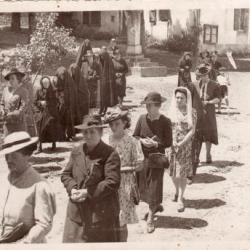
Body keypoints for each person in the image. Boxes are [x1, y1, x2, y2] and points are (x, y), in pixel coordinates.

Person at [61, 115, 121, 243]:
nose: (88, 135)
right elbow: (66, 174)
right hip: (77, 213)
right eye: (85, 132)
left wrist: (88, 192)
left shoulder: (110, 153)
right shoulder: (77, 151)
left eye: (92, 132)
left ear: (100, 132)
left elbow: (112, 182)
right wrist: (72, 189)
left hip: (100, 215)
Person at [0, 131, 56, 243]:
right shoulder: (4, 179)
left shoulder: (40, 185)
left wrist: (24, 243)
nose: (9, 160)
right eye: (7, 155)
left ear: (27, 155)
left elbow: (44, 225)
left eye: (14, 156)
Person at [133, 92, 172, 234]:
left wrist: (155, 144)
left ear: (158, 106)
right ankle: (154, 206)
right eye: (147, 105)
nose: (148, 108)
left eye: (151, 106)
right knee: (144, 185)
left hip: (156, 158)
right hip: (143, 158)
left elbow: (168, 142)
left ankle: (150, 217)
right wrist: (142, 141)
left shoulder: (165, 121)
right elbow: (135, 136)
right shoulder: (142, 119)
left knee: (154, 186)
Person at [104, 109, 143, 242]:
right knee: (109, 219)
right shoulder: (107, 140)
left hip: (125, 185)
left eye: (117, 124)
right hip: (109, 184)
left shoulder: (132, 141)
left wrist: (121, 169)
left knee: (122, 221)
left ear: (125, 122)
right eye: (111, 125)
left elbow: (140, 165)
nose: (114, 127)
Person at [168, 87, 197, 212]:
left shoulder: (193, 112)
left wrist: (182, 143)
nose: (179, 100)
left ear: (187, 99)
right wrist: (173, 141)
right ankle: (176, 190)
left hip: (185, 146)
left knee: (183, 173)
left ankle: (181, 197)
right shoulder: (172, 111)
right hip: (172, 145)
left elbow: (192, 130)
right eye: (177, 97)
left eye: (181, 98)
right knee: (173, 172)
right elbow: (169, 128)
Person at [178, 69, 204, 183]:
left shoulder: (192, 88)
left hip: (194, 126)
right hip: (182, 128)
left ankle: (190, 173)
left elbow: (197, 109)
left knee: (193, 150)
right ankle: (183, 172)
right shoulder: (181, 89)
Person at [196, 64, 220, 163]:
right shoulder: (197, 84)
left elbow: (218, 99)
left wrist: (209, 102)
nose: (202, 78)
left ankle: (208, 153)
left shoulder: (215, 85)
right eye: (201, 76)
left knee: (208, 133)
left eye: (204, 76)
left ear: (208, 75)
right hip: (198, 113)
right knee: (197, 134)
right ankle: (196, 156)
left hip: (209, 112)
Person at [34, 76, 63, 153]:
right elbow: (35, 102)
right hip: (41, 112)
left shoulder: (53, 91)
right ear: (41, 83)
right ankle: (39, 147)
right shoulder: (38, 91)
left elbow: (57, 102)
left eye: (47, 83)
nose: (46, 84)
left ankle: (54, 145)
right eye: (44, 83)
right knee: (39, 128)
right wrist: (40, 103)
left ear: (50, 83)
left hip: (51, 112)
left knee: (52, 127)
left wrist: (48, 103)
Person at [0, 68, 29, 136]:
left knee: (20, 145)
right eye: (9, 79)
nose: (10, 81)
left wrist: (10, 114)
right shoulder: (5, 90)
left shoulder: (23, 91)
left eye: (13, 78)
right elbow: (2, 103)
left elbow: (23, 108)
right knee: (8, 144)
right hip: (7, 125)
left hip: (19, 125)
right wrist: (1, 109)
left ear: (18, 79)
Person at [55, 66, 80, 141]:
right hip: (61, 104)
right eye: (60, 76)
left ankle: (70, 135)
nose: (61, 77)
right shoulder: (58, 82)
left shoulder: (70, 82)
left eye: (62, 75)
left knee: (69, 120)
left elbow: (73, 94)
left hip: (69, 105)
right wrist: (59, 97)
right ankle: (61, 135)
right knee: (61, 120)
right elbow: (57, 91)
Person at [82, 50, 101, 114]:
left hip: (93, 85)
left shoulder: (97, 65)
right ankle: (88, 114)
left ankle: (93, 114)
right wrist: (85, 78)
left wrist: (93, 77)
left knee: (93, 100)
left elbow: (100, 75)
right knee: (87, 99)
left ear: (92, 57)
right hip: (86, 85)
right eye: (88, 57)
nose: (89, 58)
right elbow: (81, 74)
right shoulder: (84, 64)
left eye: (90, 56)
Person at [99, 50, 118, 115]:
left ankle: (105, 108)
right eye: (100, 56)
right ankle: (102, 108)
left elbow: (112, 73)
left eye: (102, 56)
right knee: (102, 96)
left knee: (106, 97)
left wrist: (110, 81)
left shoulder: (110, 63)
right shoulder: (101, 63)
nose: (101, 58)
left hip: (108, 83)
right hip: (102, 83)